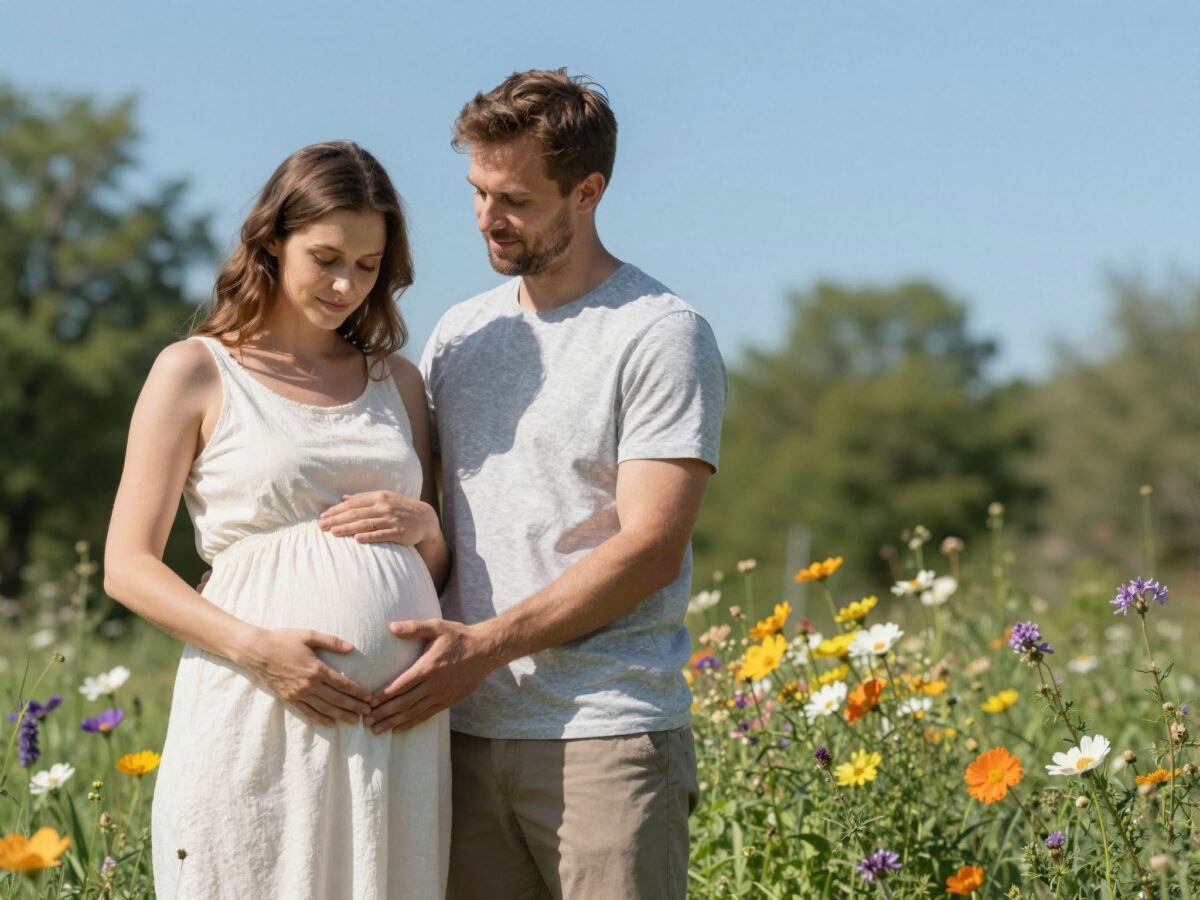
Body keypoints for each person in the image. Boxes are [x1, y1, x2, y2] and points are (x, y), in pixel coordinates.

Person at [321, 70, 727, 899]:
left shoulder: (660, 335)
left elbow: (651, 548)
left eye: (513, 199)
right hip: (458, 735)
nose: (486, 218)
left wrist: (486, 647)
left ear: (588, 191)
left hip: (604, 737)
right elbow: (439, 527)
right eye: (476, 191)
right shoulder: (461, 333)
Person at [103, 142, 450, 900]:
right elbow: (126, 564)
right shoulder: (195, 370)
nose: (345, 284)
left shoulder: (401, 384)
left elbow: (433, 570)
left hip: (396, 730)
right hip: (256, 700)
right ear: (272, 241)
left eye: (367, 266)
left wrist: (424, 526)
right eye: (325, 256)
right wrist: (259, 651)